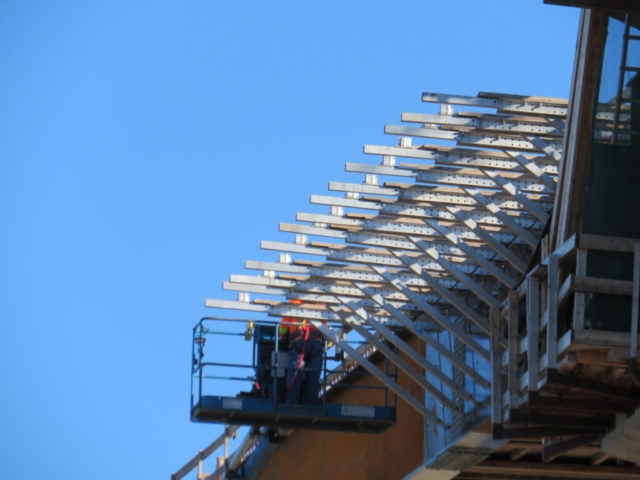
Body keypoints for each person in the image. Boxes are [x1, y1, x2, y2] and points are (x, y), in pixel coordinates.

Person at [279, 300, 325, 405]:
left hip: (299, 343)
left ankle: (291, 405)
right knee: (313, 380)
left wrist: (284, 339)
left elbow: (283, 328)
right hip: (317, 345)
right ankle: (311, 407)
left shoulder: (293, 303)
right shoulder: (321, 305)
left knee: (294, 377)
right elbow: (325, 329)